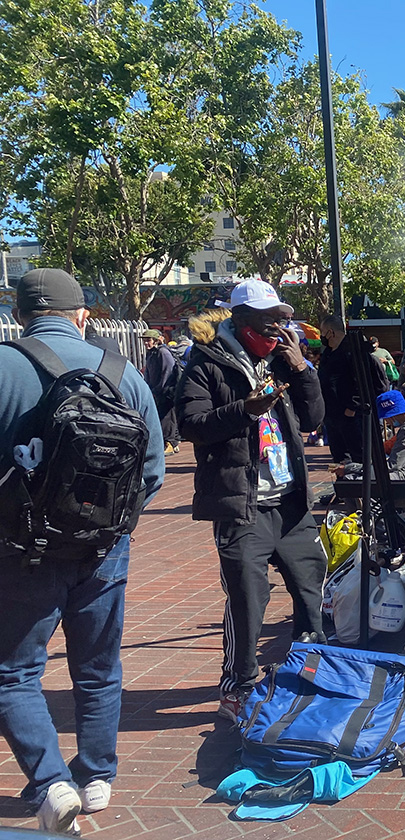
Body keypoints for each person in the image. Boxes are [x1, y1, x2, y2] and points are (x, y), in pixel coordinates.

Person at [0, 269, 165, 836]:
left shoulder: (3, 366)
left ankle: (51, 784)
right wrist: (111, 526)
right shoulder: (122, 375)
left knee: (14, 672)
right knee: (97, 669)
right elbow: (153, 473)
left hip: (21, 550)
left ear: (22, 315)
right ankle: (97, 776)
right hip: (104, 550)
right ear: (83, 315)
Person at [177, 279, 327, 722]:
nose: (277, 331)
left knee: (310, 590)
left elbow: (314, 418)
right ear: (240, 322)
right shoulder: (207, 363)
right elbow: (191, 424)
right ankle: (240, 684)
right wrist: (245, 408)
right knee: (247, 598)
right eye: (267, 323)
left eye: (282, 322)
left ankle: (308, 675)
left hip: (290, 501)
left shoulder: (282, 359)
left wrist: (302, 369)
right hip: (243, 503)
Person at [318, 315, 385, 464]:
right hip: (332, 415)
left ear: (331, 332)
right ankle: (344, 484)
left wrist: (352, 407)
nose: (321, 336)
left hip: (352, 416)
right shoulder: (328, 354)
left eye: (322, 332)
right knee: (340, 457)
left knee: (358, 457)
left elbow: (364, 381)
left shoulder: (354, 351)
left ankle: (359, 485)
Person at [141, 328, 181, 455]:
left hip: (166, 391)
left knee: (167, 417)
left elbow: (167, 372)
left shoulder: (163, 352)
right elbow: (148, 372)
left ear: (156, 340)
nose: (146, 343)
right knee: (163, 416)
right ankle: (172, 443)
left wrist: (160, 389)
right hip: (156, 390)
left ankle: (169, 443)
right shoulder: (151, 353)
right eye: (145, 341)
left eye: (148, 340)